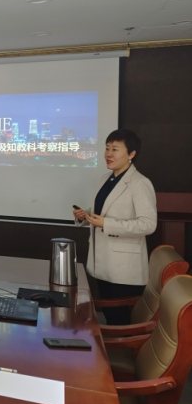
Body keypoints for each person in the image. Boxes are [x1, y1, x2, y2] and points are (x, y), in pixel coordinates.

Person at [74, 129, 157, 325]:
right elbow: (103, 211)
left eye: (115, 149)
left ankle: (117, 345)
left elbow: (148, 224)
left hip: (123, 268)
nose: (108, 154)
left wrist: (107, 224)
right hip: (102, 262)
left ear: (131, 154)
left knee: (119, 318)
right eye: (107, 148)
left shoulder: (140, 183)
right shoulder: (106, 178)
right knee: (109, 314)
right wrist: (85, 215)